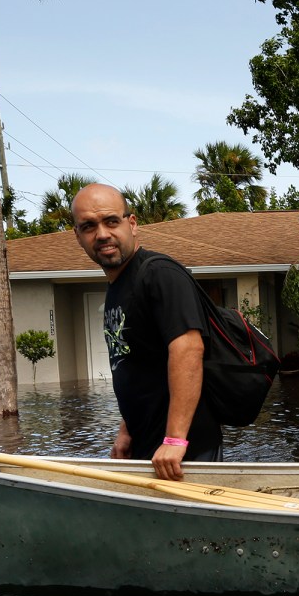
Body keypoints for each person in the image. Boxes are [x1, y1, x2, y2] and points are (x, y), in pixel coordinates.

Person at [71, 183, 221, 480]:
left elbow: (188, 349)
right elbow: (136, 364)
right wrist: (126, 430)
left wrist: (175, 441)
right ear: (77, 235)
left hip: (185, 454)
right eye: (88, 226)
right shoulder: (119, 285)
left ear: (132, 223)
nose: (102, 234)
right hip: (150, 448)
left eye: (111, 221)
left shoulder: (158, 274)